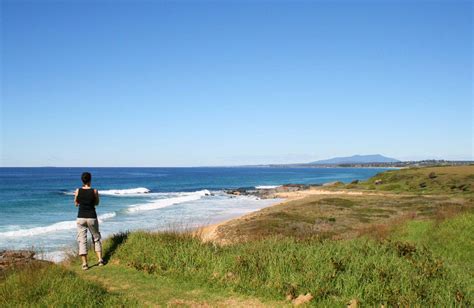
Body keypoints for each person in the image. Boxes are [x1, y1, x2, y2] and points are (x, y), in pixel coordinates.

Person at [74, 172, 104, 270]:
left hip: (81, 217)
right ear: (90, 180)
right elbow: (97, 203)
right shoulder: (94, 191)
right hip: (92, 217)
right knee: (96, 238)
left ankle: (85, 264)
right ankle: (100, 260)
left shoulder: (78, 190)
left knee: (82, 240)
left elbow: (76, 204)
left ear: (82, 180)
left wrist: (80, 200)